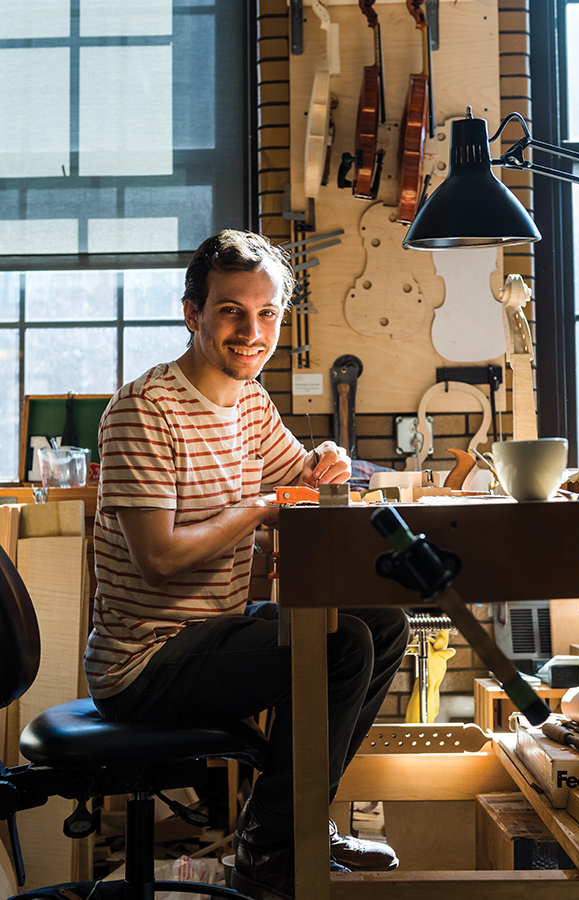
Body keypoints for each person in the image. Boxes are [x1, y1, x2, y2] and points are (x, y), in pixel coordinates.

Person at [84, 230, 409, 900]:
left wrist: (330, 462)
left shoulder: (250, 404)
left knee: (382, 622)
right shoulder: (145, 410)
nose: (251, 331)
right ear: (192, 313)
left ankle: (295, 824)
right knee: (339, 644)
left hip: (213, 630)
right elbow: (161, 561)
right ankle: (273, 849)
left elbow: (304, 482)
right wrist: (263, 507)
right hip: (145, 660)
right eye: (232, 310)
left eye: (267, 314)